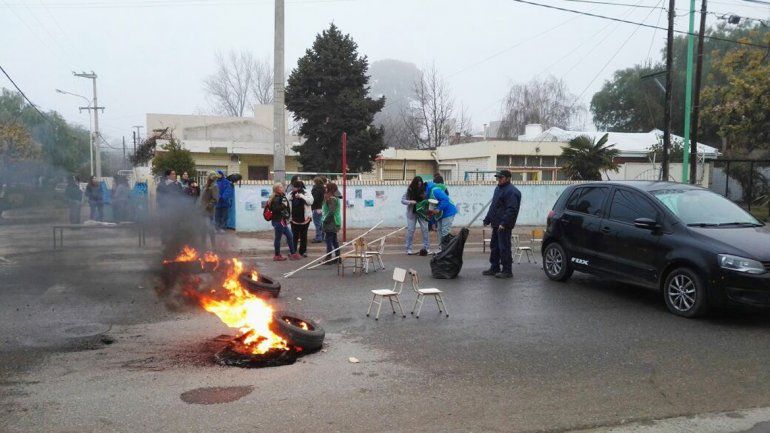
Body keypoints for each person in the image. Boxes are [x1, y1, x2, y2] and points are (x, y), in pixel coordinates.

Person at [482, 169, 521, 279]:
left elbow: (512, 209)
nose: (498, 179)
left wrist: (504, 223)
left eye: (501, 177)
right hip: (496, 223)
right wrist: (487, 219)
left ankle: (507, 270)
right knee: (494, 246)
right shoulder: (498, 188)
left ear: (508, 178)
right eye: (498, 177)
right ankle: (494, 267)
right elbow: (494, 206)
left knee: (504, 247)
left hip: (504, 225)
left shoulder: (512, 191)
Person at [268, 183, 300, 261]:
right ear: (276, 189)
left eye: (282, 187)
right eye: (281, 187)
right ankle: (277, 255)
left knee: (290, 236)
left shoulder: (280, 196)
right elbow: (275, 209)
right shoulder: (276, 198)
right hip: (278, 221)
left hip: (281, 221)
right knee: (278, 238)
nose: (282, 188)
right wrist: (284, 205)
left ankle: (293, 253)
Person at [402, 176, 430, 255]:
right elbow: (403, 200)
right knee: (410, 230)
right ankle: (408, 249)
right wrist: (411, 202)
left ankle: (426, 248)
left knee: (425, 229)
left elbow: (428, 200)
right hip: (412, 213)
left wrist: (425, 198)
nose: (419, 185)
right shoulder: (409, 190)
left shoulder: (425, 189)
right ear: (414, 183)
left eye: (420, 184)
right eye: (417, 184)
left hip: (422, 213)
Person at [289, 180, 314, 257]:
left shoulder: (307, 193)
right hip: (294, 219)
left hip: (305, 218)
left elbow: (310, 202)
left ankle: (302, 251)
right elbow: (286, 203)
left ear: (299, 187)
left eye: (294, 187)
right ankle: (293, 251)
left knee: (303, 235)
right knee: (294, 235)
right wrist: (290, 198)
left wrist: (301, 196)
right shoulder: (290, 194)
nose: (292, 188)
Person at [322, 182, 342, 264]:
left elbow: (331, 212)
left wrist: (325, 220)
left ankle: (329, 258)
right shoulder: (335, 197)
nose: (325, 189)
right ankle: (338, 258)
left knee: (329, 240)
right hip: (335, 221)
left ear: (329, 189)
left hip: (331, 222)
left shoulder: (332, 198)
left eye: (327, 188)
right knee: (334, 240)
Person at [199, 172, 219, 249]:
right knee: (203, 228)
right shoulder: (206, 185)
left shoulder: (214, 186)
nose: (206, 177)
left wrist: (208, 206)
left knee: (209, 228)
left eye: (207, 176)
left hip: (208, 212)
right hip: (202, 210)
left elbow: (215, 199)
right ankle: (203, 245)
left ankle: (214, 246)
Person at [310, 176, 326, 243]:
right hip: (320, 207)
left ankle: (318, 237)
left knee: (317, 223)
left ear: (316, 182)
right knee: (320, 223)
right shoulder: (323, 188)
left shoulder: (316, 188)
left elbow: (314, 199)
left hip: (316, 207)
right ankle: (322, 236)